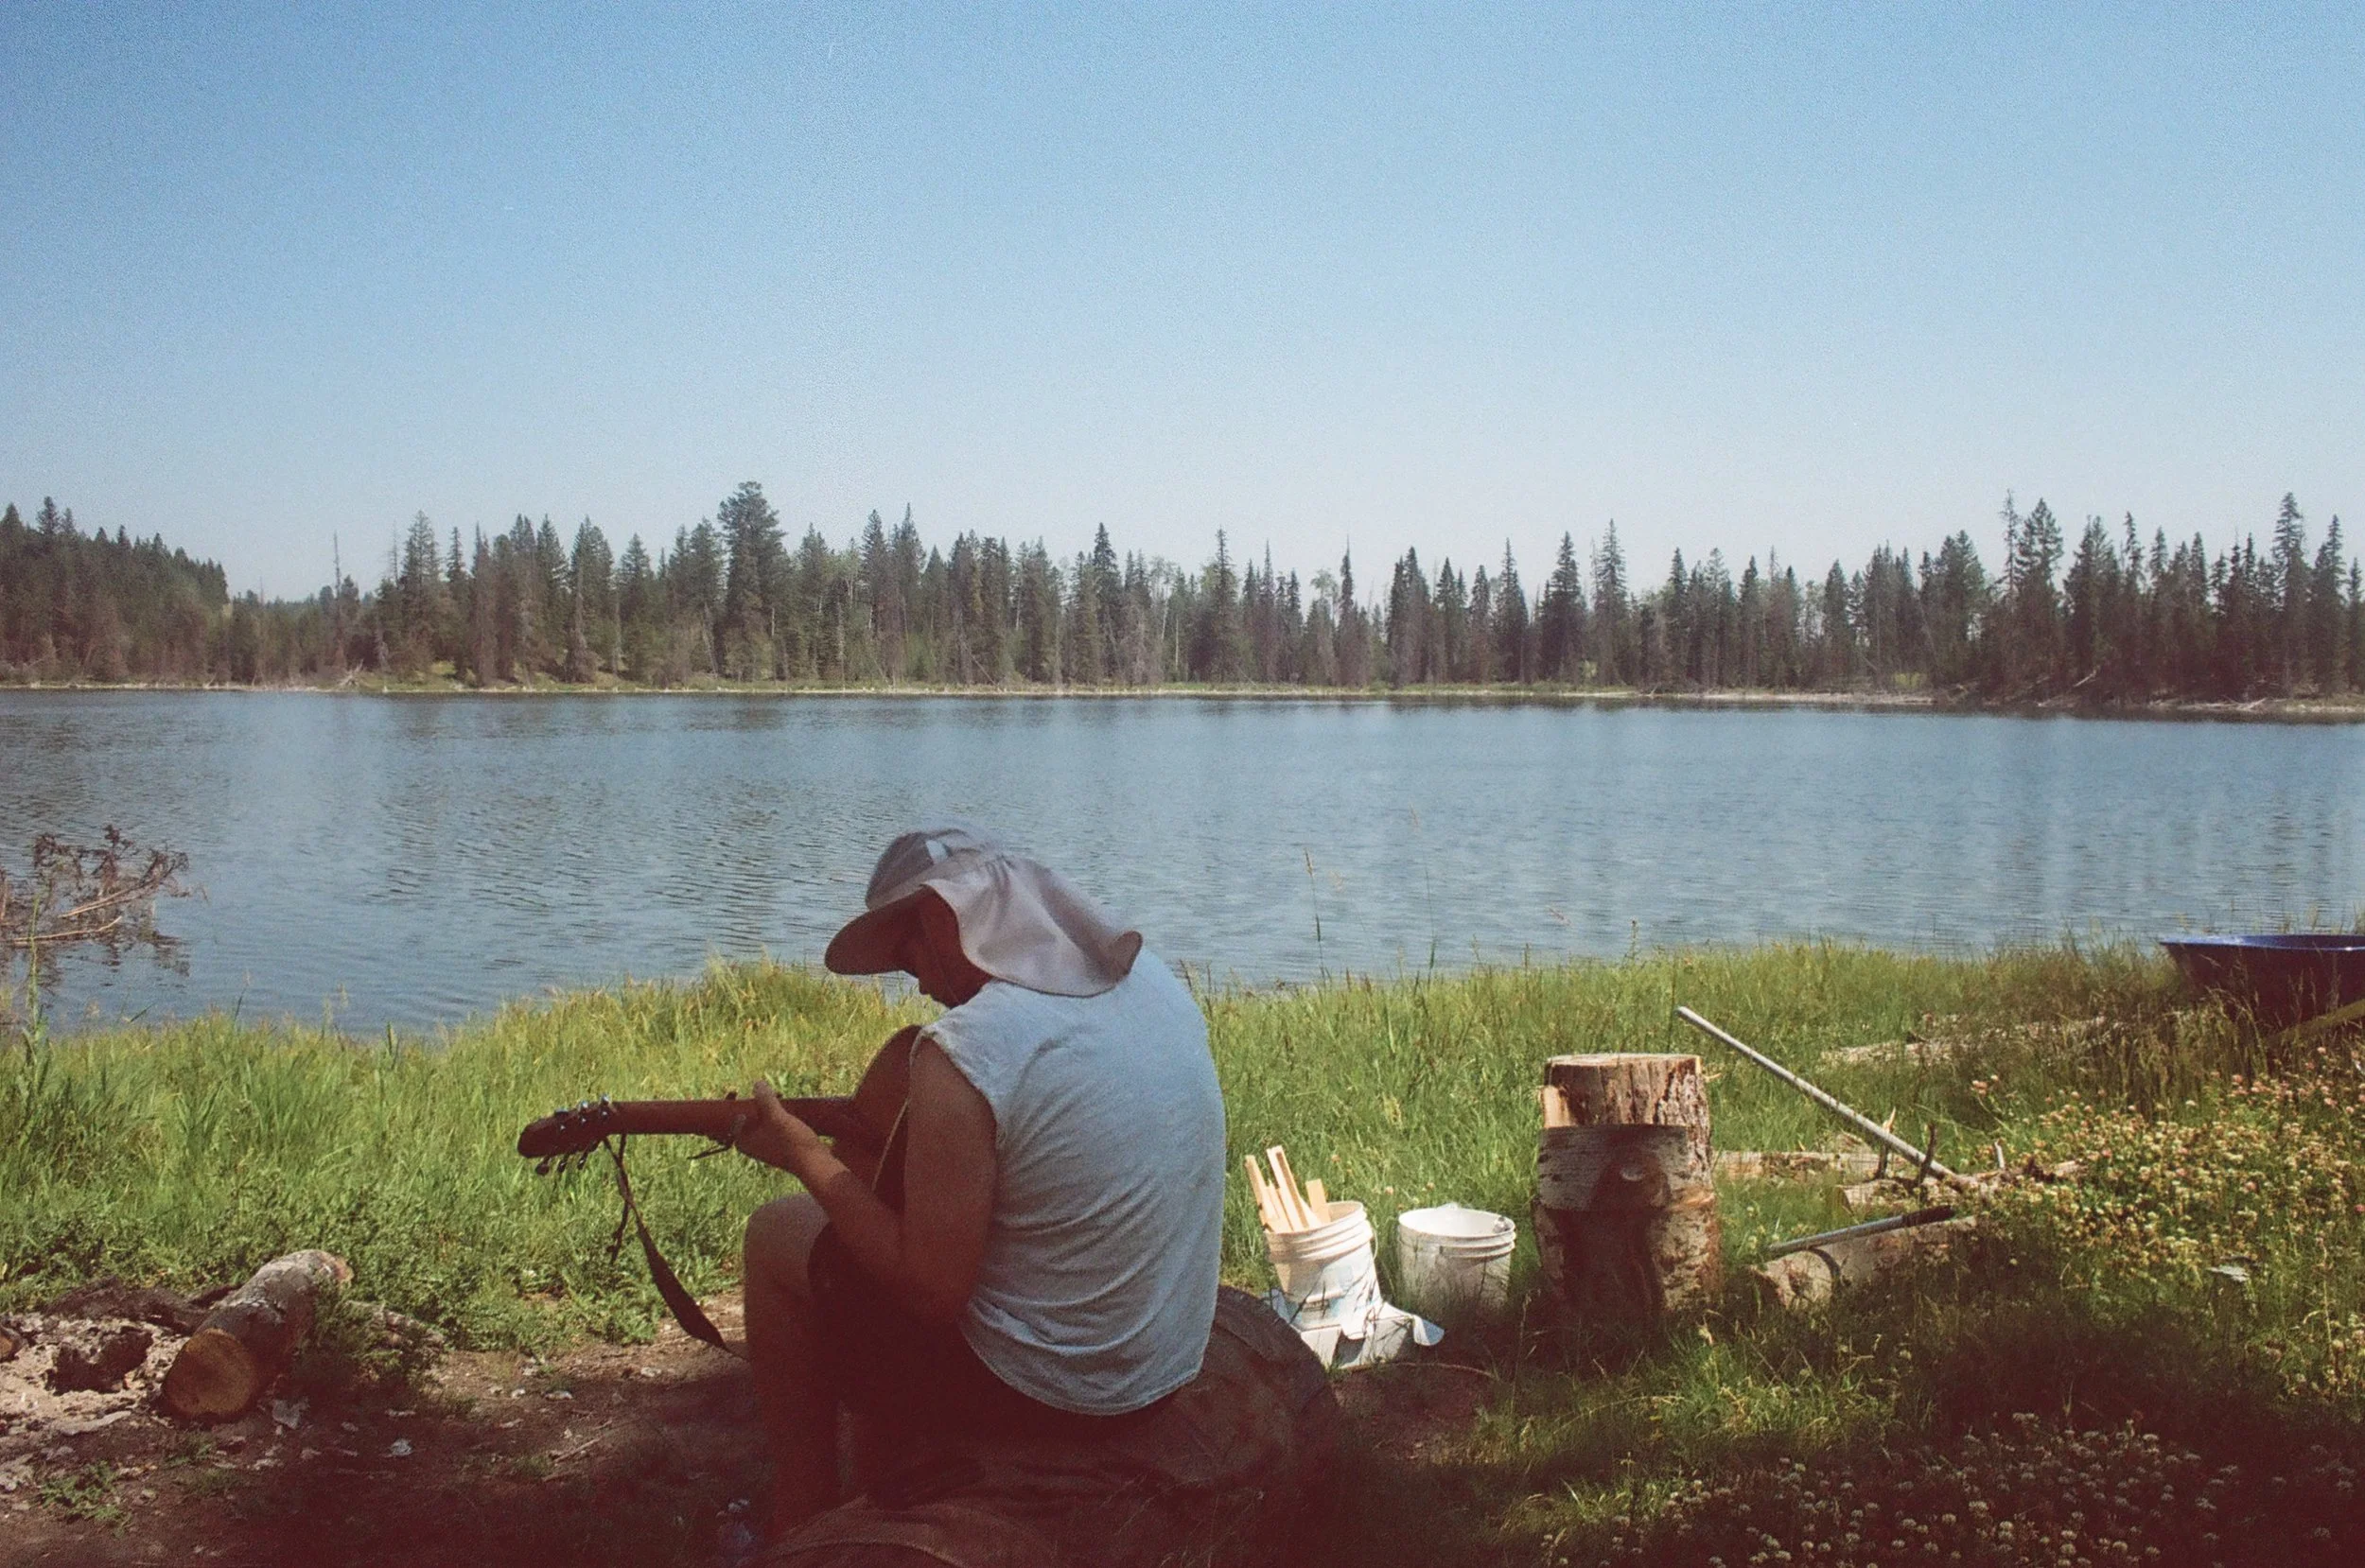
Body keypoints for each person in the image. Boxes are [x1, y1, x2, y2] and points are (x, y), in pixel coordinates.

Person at [734, 824, 1226, 1530]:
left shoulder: (972, 1047)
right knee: (873, 1209)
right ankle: (881, 1474)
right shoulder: (1147, 978)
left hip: (1053, 1394)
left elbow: (932, 1292)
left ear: (944, 920)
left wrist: (806, 1157)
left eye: (912, 962)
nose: (924, 989)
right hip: (1161, 1370)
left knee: (777, 1235)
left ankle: (801, 1509)